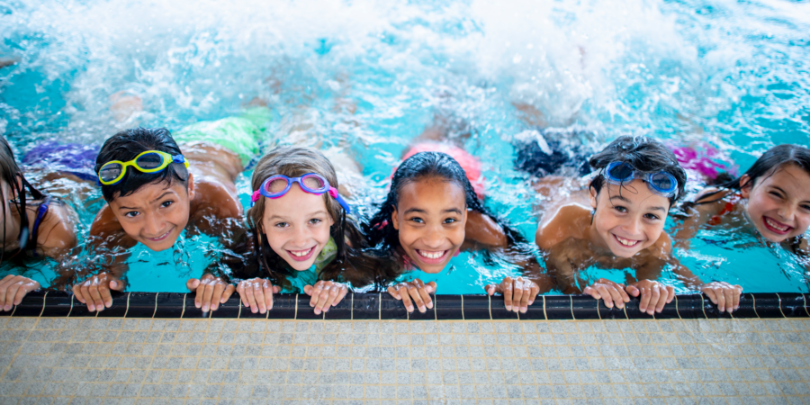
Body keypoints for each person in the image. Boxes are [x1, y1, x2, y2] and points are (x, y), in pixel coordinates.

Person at [63, 122, 261, 313]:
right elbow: (101, 272)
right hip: (181, 143)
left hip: (230, 141)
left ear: (190, 187)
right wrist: (103, 280)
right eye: (132, 213)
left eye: (166, 203)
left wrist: (218, 276)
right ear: (112, 209)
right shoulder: (105, 225)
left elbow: (242, 257)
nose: (154, 228)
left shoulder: (218, 203)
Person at [534, 136, 742, 315]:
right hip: (547, 166)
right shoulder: (556, 233)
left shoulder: (657, 246)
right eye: (621, 209)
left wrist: (709, 289)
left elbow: (645, 287)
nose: (633, 230)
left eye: (651, 215)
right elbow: (565, 289)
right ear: (593, 197)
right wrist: (588, 290)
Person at [366, 151, 553, 314]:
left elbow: (539, 273)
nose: (433, 241)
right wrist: (392, 290)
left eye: (449, 220)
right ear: (396, 219)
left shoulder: (483, 230)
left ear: (464, 217)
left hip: (468, 168)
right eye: (417, 219)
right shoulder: (379, 242)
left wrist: (523, 286)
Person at [234, 146, 392, 315]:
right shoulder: (250, 246)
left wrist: (346, 286)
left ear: (332, 216)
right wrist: (247, 284)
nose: (300, 240)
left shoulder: (356, 241)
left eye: (314, 220)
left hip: (353, 195)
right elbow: (220, 274)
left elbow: (389, 274)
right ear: (261, 224)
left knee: (345, 165)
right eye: (281, 224)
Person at [674, 144, 810, 259]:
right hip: (696, 176)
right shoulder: (715, 203)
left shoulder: (796, 242)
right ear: (747, 186)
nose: (787, 215)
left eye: (806, 206)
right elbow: (677, 250)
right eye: (776, 194)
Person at [0, 135, 79, 311]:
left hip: (69, 166)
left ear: (13, 189)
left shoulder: (53, 233)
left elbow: (69, 294)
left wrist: (39, 292)